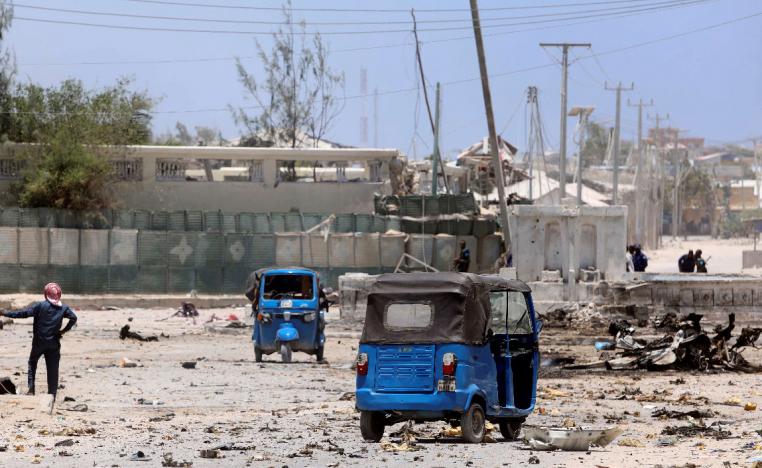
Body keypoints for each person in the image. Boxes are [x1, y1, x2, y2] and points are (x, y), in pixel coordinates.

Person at [0, 283, 77, 396]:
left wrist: (5, 312)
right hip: (54, 344)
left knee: (32, 363)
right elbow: (74, 318)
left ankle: (31, 389)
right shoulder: (63, 308)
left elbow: (23, 314)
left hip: (39, 343)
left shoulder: (40, 306)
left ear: (45, 294)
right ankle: (52, 394)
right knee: (53, 370)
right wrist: (63, 331)